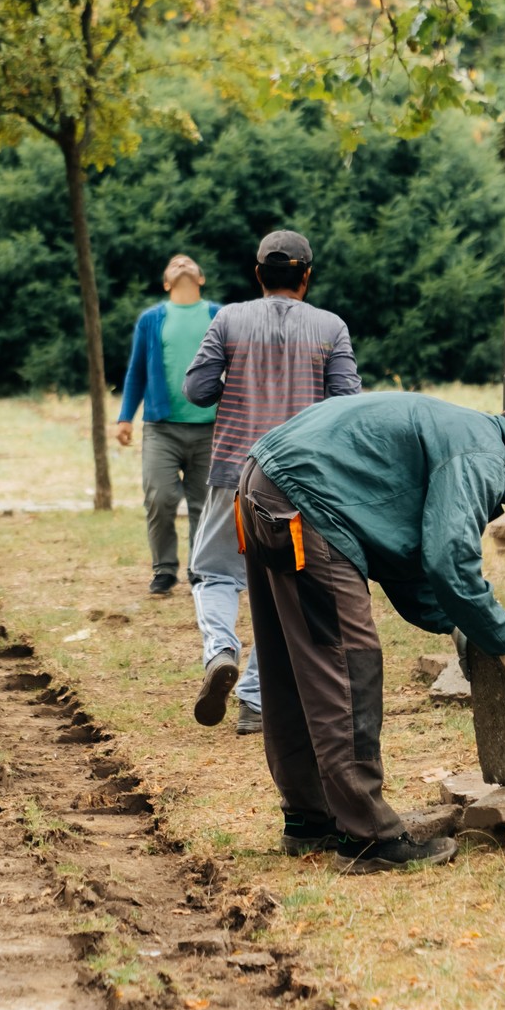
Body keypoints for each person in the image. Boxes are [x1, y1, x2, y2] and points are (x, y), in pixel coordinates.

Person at [237, 391, 505, 872]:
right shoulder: (481, 455)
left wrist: (458, 623)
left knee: (295, 664)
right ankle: (368, 840)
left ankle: (310, 819)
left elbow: (403, 553)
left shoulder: (460, 428)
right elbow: (448, 559)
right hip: (306, 502)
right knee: (348, 667)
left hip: (263, 483)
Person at [183, 229, 360, 736]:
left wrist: (237, 378)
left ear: (258, 274)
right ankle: (254, 701)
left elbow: (197, 390)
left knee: (214, 574)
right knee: (285, 587)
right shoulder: (330, 327)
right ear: (307, 277)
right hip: (300, 482)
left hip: (234, 472)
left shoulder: (228, 319)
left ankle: (220, 651)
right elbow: (347, 403)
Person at [116, 255, 220, 596]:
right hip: (161, 428)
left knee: (204, 504)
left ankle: (199, 569)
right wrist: (125, 418)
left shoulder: (219, 316)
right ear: (165, 283)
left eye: (188, 262)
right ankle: (163, 569)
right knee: (159, 497)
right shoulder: (151, 319)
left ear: (201, 278)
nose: (182, 263)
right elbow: (136, 372)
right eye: (174, 263)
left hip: (210, 428)